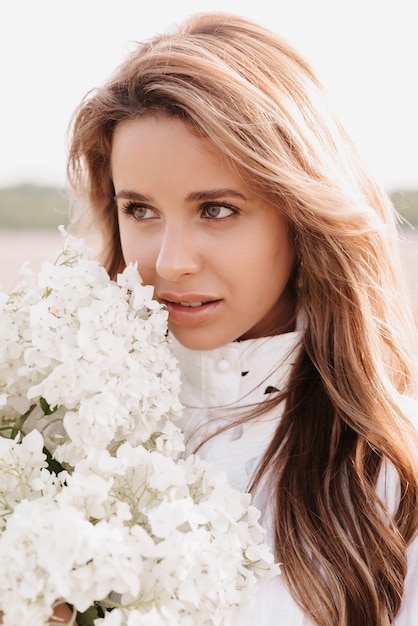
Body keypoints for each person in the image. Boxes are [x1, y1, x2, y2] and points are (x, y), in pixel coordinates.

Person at [65, 12, 418, 626]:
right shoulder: (54, 433)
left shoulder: (394, 472)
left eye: (218, 209)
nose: (170, 263)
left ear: (301, 213)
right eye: (140, 209)